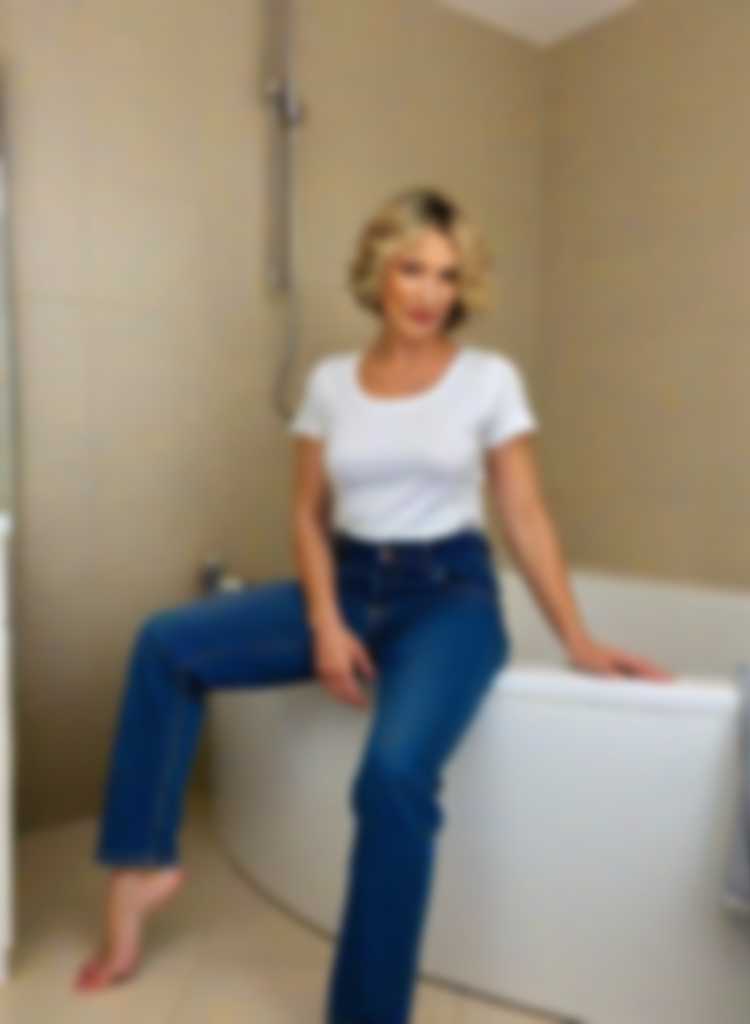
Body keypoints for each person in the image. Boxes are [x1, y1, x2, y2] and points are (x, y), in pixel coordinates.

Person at [74, 186, 674, 1018]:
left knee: (392, 775)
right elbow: (307, 516)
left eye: (448, 276)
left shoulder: (489, 380)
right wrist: (325, 621)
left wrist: (575, 636)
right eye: (412, 269)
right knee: (165, 643)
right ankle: (142, 866)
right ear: (378, 272)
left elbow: (525, 513)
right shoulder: (330, 383)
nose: (430, 293)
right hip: (352, 583)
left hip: (449, 598)